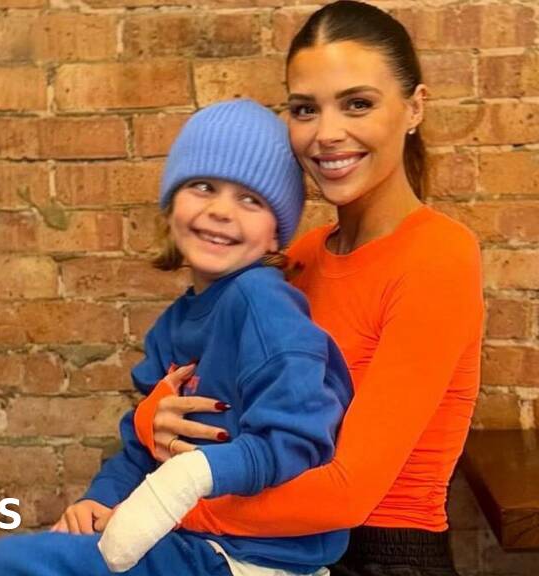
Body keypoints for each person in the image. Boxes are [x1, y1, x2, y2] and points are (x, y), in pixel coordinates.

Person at [131, 2, 485, 575]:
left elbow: (347, 492)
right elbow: (199, 381)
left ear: (415, 107)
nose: (327, 134)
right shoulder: (298, 257)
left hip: (380, 557)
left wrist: (158, 511)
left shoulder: (439, 256)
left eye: (358, 104)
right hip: (259, 551)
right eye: (305, 109)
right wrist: (153, 418)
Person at [0, 99, 353, 576]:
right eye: (203, 186)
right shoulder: (174, 324)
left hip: (252, 556)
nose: (221, 210)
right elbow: (144, 448)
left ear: (275, 235)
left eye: (250, 199)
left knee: (6, 564)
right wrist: (99, 500)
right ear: (171, 204)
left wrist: (187, 478)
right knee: (27, 555)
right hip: (189, 539)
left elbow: (298, 443)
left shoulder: (263, 303)